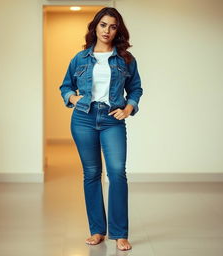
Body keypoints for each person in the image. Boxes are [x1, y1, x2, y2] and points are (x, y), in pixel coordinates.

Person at [59, 7, 143, 251]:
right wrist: (73, 99)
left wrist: (129, 108)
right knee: (92, 173)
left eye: (113, 26)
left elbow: (136, 88)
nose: (107, 30)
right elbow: (65, 86)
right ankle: (97, 230)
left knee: (117, 173)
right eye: (103, 25)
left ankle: (119, 233)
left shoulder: (126, 59)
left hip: (112, 120)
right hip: (83, 119)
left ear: (118, 30)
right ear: (95, 26)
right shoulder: (80, 58)